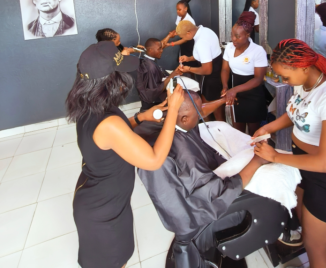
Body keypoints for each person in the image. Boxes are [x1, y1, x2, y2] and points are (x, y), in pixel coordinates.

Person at [66, 40, 184, 268]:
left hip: (102, 200)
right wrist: (174, 111)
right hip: (103, 212)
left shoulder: (88, 105)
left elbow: (108, 138)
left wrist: (141, 117)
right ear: (111, 80)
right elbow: (154, 159)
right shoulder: (108, 122)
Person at [252, 39, 326, 268]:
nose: (283, 81)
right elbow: (294, 113)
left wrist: (274, 156)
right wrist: (267, 128)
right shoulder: (303, 84)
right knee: (304, 225)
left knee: (316, 250)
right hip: (306, 172)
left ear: (302, 68)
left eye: (285, 76)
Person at [138, 90, 268, 265]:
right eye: (197, 114)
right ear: (184, 119)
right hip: (199, 220)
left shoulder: (166, 123)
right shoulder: (187, 158)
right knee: (265, 195)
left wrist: (222, 101)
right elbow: (218, 195)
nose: (201, 117)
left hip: (180, 209)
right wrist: (257, 161)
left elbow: (200, 110)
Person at [221, 12, 268, 136]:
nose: (233, 39)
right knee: (238, 131)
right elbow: (225, 69)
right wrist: (225, 86)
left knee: (253, 133)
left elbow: (258, 79)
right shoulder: (229, 48)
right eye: (232, 35)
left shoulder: (257, 51)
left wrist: (234, 89)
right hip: (236, 95)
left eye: (237, 36)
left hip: (253, 95)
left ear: (247, 35)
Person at [176, 21, 224, 119]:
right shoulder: (206, 31)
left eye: (183, 37)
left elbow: (207, 70)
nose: (183, 39)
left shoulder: (201, 42)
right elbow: (205, 55)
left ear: (188, 33)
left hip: (212, 78)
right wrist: (189, 58)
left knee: (209, 109)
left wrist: (188, 69)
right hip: (217, 72)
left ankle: (213, 129)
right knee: (212, 106)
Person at [136, 38, 182, 111]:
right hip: (150, 103)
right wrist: (172, 75)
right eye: (159, 49)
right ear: (150, 50)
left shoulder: (148, 60)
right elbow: (155, 91)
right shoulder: (151, 67)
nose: (162, 51)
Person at [163, 0, 200, 70]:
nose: (177, 12)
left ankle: (192, 79)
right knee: (182, 62)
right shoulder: (180, 15)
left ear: (186, 9)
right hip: (183, 43)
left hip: (189, 44)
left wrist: (171, 44)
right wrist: (173, 33)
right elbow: (178, 28)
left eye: (179, 10)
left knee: (189, 65)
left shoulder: (189, 21)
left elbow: (186, 39)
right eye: (177, 10)